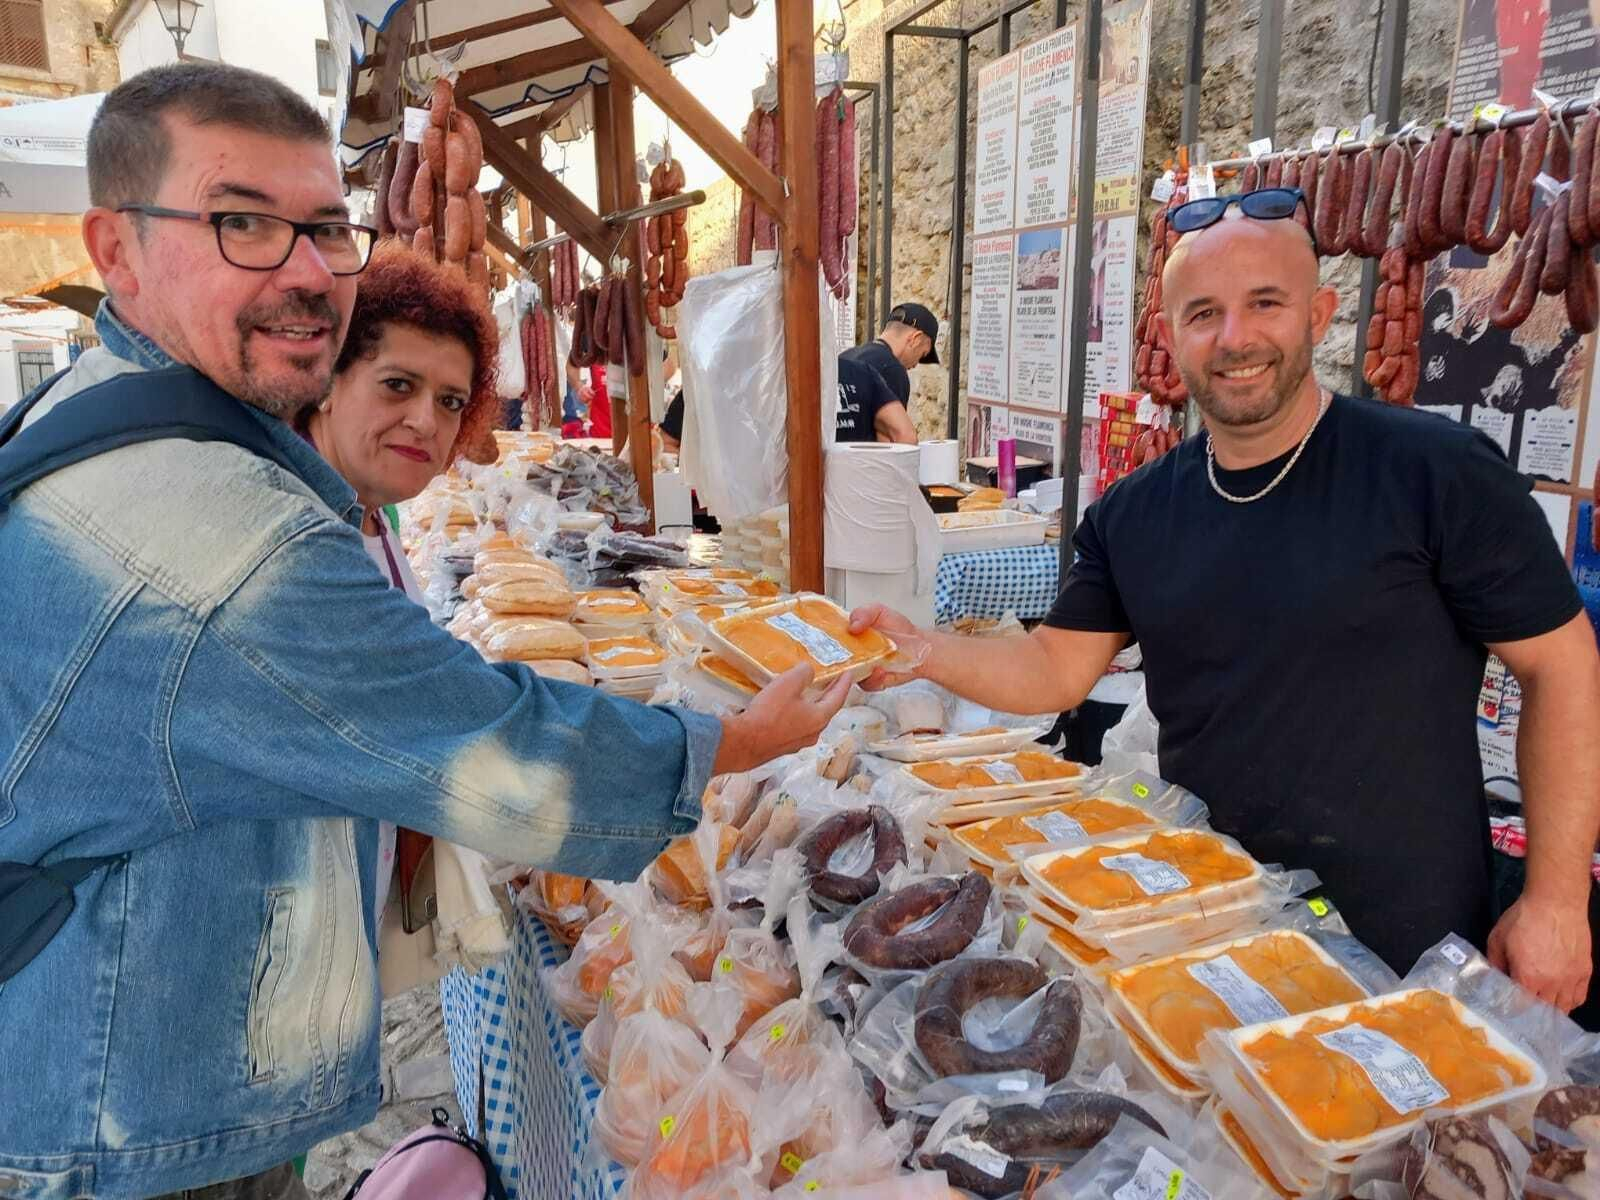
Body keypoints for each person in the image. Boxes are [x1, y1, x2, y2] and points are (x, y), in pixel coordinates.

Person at [0, 62, 849, 1200]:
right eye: (241, 222)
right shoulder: (212, 524)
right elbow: (486, 747)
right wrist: (735, 742)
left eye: (324, 228)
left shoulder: (111, 405)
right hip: (116, 1113)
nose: (308, 272)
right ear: (118, 249)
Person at [852, 192, 1600, 1016]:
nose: (1235, 338)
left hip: (1408, 947)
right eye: (1204, 313)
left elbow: (1562, 664)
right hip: (1204, 927)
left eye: (1265, 304)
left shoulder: (1437, 472)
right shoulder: (1134, 513)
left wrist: (1557, 899)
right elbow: (1053, 668)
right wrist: (921, 650)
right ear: (1171, 335)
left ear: (1318, 313)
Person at [299, 238, 499, 962]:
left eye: (450, 401)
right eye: (397, 385)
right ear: (326, 380)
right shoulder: (298, 542)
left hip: (343, 919)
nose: (425, 420)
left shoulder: (369, 514)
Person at [835, 302, 939, 444]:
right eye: (922, 355)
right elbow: (893, 440)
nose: (916, 365)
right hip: (865, 458)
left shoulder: (845, 357)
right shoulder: (892, 369)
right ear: (915, 339)